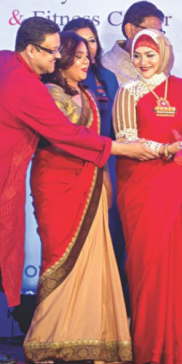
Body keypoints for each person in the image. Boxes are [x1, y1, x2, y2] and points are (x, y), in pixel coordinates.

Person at [0, 17, 156, 364]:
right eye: (51, 51)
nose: (57, 57)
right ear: (30, 50)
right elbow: (66, 134)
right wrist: (123, 149)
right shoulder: (25, 86)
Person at [22, 31, 131, 364]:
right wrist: (121, 150)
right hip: (56, 185)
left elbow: (94, 142)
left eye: (88, 56)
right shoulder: (48, 94)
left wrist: (105, 179)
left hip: (91, 181)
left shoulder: (87, 94)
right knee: (58, 255)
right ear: (63, 59)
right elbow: (65, 138)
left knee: (94, 258)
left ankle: (95, 339)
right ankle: (47, 340)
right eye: (79, 56)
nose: (87, 61)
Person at [112, 29, 182, 364]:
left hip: (177, 185)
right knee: (146, 262)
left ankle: (179, 346)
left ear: (163, 54)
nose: (143, 62)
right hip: (141, 186)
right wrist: (167, 149)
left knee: (174, 261)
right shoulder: (127, 93)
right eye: (137, 55)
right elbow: (127, 141)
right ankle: (149, 345)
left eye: (150, 54)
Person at [61, 18, 128, 310]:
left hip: (108, 161)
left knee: (112, 236)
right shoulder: (58, 82)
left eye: (91, 41)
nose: (87, 49)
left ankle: (112, 312)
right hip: (73, 165)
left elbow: (115, 124)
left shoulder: (107, 77)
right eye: (79, 43)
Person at [101, 1, 165, 85]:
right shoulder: (106, 67)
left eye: (159, 33)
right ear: (130, 30)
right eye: (151, 32)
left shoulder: (160, 64)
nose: (156, 39)